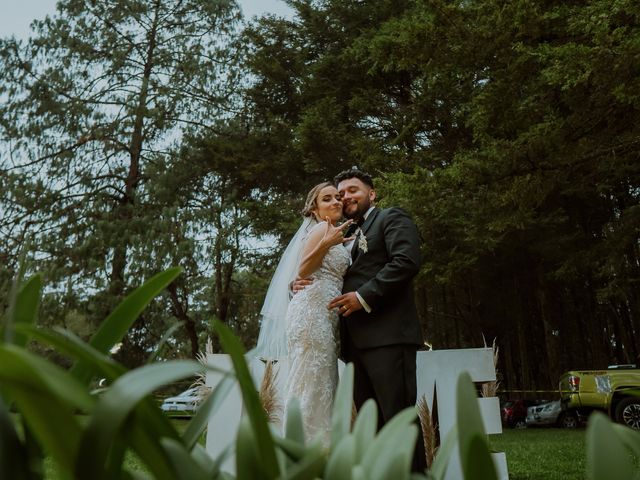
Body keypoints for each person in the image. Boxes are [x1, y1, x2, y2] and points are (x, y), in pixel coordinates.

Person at [299, 168, 425, 471]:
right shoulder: (345, 234)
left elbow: (406, 261)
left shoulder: (391, 218)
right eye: (341, 193)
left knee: (398, 419)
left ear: (372, 193)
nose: (345, 197)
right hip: (354, 344)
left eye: (352, 190)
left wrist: (363, 296)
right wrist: (300, 282)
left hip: (388, 338)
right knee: (371, 426)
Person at [254, 181, 353, 445]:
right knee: (309, 385)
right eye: (327, 199)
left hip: (323, 314)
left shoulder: (333, 231)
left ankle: (315, 451)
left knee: (319, 383)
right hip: (311, 315)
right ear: (315, 209)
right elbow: (303, 271)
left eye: (337, 198)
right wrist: (327, 242)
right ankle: (301, 449)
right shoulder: (322, 229)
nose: (335, 202)